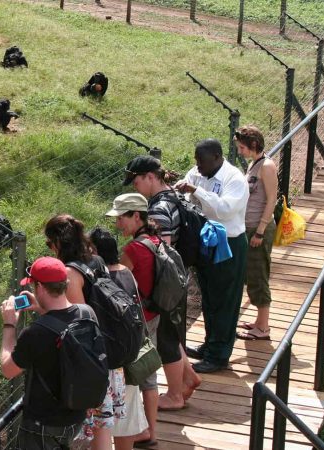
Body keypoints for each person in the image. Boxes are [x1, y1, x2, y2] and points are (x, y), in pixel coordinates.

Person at [121, 156, 202, 410]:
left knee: (166, 342)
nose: (136, 187)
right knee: (172, 336)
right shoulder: (174, 195)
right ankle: (188, 377)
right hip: (178, 278)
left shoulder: (157, 209)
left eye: (136, 182)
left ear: (150, 177)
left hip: (164, 286)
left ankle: (175, 395)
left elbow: (161, 252)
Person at [44, 214, 125, 450]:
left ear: (58, 242)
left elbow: (80, 321)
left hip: (91, 361)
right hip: (109, 353)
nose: (50, 249)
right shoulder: (97, 260)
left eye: (49, 244)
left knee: (90, 429)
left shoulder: (70, 273)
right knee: (102, 428)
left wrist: (43, 309)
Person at [176, 138, 249, 373]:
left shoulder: (234, 179)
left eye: (202, 161)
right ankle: (210, 344)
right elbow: (186, 189)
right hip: (205, 240)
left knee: (225, 300)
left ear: (217, 157)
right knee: (209, 296)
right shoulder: (197, 173)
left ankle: (219, 355)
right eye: (196, 160)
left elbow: (225, 210)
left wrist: (198, 192)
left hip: (228, 243)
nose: (197, 166)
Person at [0, 256, 88, 449]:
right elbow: (62, 322)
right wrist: (41, 308)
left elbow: (8, 370)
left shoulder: (36, 332)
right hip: (76, 415)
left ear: (39, 287)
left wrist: (9, 325)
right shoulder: (86, 313)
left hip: (43, 424)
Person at [89, 228, 149, 450]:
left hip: (114, 361)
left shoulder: (104, 281)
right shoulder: (126, 272)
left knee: (106, 422)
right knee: (126, 419)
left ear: (94, 251)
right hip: (131, 352)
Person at [234, 126, 277, 341]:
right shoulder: (255, 163)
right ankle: (260, 321)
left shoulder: (267, 166)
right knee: (252, 274)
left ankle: (263, 328)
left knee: (258, 274)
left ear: (252, 145)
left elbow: (271, 200)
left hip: (258, 229)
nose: (240, 151)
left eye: (242, 147)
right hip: (248, 227)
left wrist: (259, 231)